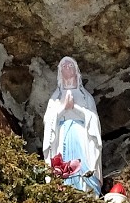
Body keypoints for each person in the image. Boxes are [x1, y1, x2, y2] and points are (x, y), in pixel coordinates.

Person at [42, 56, 102, 195]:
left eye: (70, 66)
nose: (67, 68)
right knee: (63, 163)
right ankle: (63, 190)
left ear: (76, 71)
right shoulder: (55, 98)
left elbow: (93, 120)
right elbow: (48, 120)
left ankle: (86, 190)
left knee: (83, 165)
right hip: (62, 134)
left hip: (81, 135)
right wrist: (63, 108)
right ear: (59, 72)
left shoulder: (86, 97)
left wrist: (75, 108)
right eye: (63, 66)